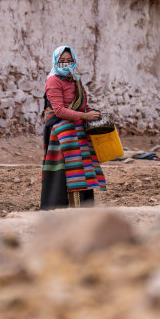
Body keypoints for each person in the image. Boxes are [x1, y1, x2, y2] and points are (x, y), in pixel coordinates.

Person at [41, 46, 106, 210]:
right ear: (55, 62)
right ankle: (65, 210)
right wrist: (85, 116)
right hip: (62, 135)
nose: (66, 64)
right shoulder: (53, 81)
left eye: (69, 61)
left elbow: (83, 105)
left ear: (74, 61)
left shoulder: (75, 79)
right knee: (68, 173)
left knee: (83, 171)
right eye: (61, 61)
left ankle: (83, 209)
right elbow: (59, 110)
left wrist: (92, 113)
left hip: (78, 132)